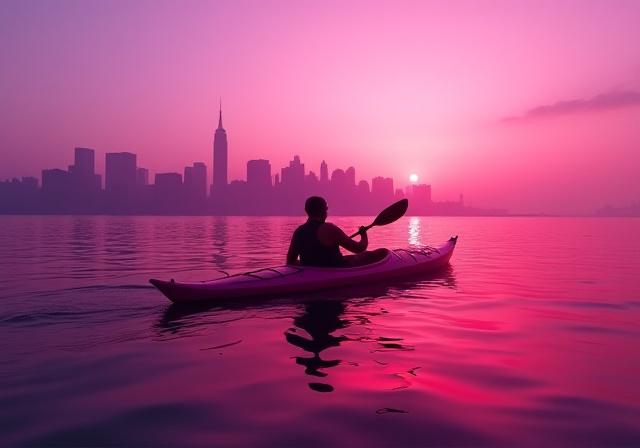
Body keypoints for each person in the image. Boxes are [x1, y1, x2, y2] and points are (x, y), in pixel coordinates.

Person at [287, 196, 375, 267]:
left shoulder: (299, 231)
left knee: (353, 258)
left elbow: (290, 261)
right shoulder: (329, 228)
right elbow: (359, 248)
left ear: (306, 211)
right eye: (326, 208)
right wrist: (364, 235)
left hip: (310, 271)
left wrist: (308, 263)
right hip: (336, 270)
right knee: (368, 255)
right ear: (323, 211)